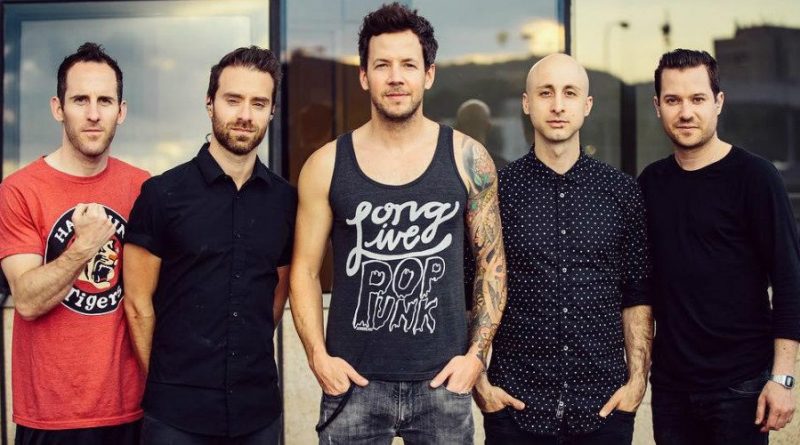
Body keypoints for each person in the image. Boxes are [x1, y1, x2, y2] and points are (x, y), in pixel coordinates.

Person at [290, 3, 506, 444]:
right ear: (363, 76)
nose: (395, 77)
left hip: (442, 386)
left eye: (408, 64)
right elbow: (305, 271)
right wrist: (318, 357)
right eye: (382, 65)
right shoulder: (326, 165)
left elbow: (492, 264)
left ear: (429, 74)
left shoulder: (468, 158)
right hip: (352, 387)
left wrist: (475, 358)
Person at [473, 53, 653, 445]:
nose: (557, 105)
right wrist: (481, 384)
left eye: (569, 93)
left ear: (587, 105)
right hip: (515, 410)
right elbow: (471, 289)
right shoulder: (497, 193)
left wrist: (637, 382)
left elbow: (636, 295)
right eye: (546, 93)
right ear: (526, 103)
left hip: (604, 408)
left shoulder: (621, 191)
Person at [123, 46, 295, 444]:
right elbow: (137, 303)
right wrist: (168, 382)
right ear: (209, 103)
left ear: (271, 111)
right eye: (233, 100)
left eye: (258, 103)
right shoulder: (162, 194)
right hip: (175, 419)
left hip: (257, 414)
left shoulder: (285, 201)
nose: (245, 115)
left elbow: (277, 292)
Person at [639, 48, 800, 445]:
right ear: (657, 107)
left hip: (742, 387)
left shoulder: (756, 177)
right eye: (673, 100)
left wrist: (782, 378)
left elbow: (789, 280)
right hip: (672, 390)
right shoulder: (651, 183)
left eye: (698, 99)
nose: (686, 112)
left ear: (718, 102)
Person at [0, 42, 147, 445]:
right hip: (51, 416)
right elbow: (27, 300)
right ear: (58, 107)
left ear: (121, 111)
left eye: (105, 101)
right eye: (80, 100)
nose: (94, 114)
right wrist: (84, 247)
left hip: (130, 408)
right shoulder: (19, 191)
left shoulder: (143, 188)